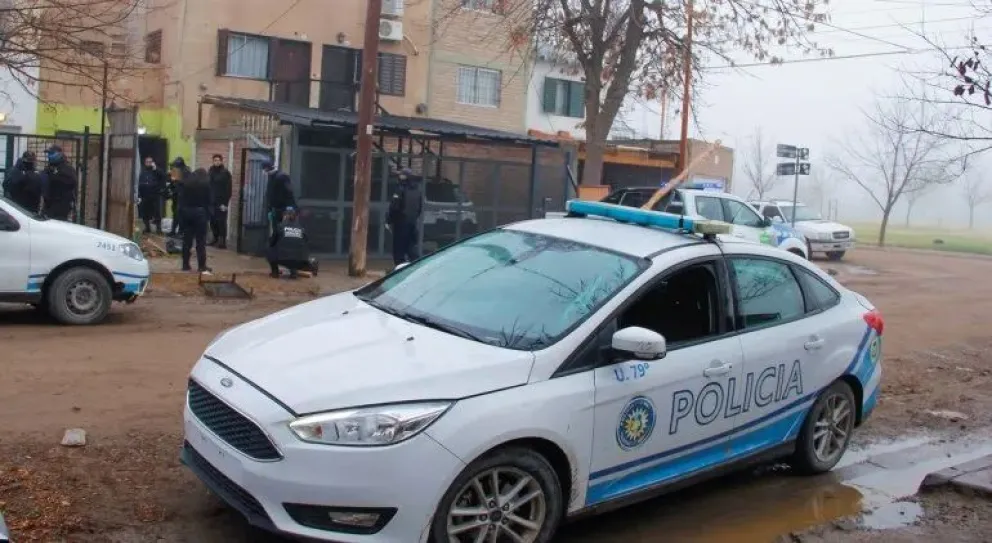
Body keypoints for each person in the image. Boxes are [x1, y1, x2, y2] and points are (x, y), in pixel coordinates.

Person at [177, 167, 213, 274]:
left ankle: (185, 265)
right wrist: (208, 215)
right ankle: (202, 266)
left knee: (187, 241)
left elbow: (181, 200)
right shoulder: (206, 185)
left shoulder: (186, 184)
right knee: (200, 241)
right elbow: (209, 201)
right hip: (200, 214)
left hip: (186, 213)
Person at [267, 207, 318, 279]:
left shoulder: (280, 226)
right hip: (300, 261)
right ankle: (296, 271)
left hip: (283, 259)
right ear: (296, 217)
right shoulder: (301, 228)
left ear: (284, 216)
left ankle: (275, 272)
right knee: (295, 252)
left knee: (269, 249)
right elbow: (307, 242)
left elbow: (272, 243)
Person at [387, 167, 423, 266]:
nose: (399, 176)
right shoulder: (417, 191)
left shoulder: (400, 189)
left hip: (401, 223)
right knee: (410, 248)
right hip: (412, 223)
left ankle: (399, 269)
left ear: (404, 177)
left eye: (401, 175)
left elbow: (394, 207)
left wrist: (389, 220)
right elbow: (420, 208)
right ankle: (417, 267)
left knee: (398, 249)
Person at [42, 145, 77, 221]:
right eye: (48, 154)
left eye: (51, 153)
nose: (49, 156)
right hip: (49, 204)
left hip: (61, 205)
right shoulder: (49, 168)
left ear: (59, 154)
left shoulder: (67, 168)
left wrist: (54, 177)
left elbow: (72, 182)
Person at [262, 160, 295, 238]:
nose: (263, 171)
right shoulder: (271, 177)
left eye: (263, 169)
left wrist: (289, 208)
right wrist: (270, 208)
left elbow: (289, 193)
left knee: (282, 230)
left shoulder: (282, 177)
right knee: (276, 229)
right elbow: (270, 194)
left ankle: (280, 247)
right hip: (274, 209)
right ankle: (276, 247)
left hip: (282, 209)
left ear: (267, 168)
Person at [208, 153, 233, 248]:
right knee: (212, 221)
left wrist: (225, 203)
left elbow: (228, 189)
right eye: (215, 160)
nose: (216, 162)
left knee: (221, 221)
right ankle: (215, 238)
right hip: (211, 201)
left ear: (221, 161)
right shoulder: (210, 171)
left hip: (221, 202)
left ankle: (222, 241)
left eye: (218, 160)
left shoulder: (225, 173)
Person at [137, 156, 166, 234]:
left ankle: (159, 229)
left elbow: (163, 176)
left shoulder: (156, 170)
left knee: (157, 213)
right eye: (147, 162)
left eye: (150, 162)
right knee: (145, 213)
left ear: (153, 162)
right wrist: (139, 195)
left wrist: (156, 169)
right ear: (145, 163)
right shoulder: (143, 172)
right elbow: (139, 184)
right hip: (145, 195)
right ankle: (147, 228)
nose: (149, 163)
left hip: (155, 195)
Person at [167, 157, 191, 236]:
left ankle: (181, 231)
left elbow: (187, 184)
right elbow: (172, 182)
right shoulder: (175, 170)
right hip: (176, 195)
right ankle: (173, 230)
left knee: (181, 214)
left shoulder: (186, 171)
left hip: (183, 196)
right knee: (175, 214)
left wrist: (177, 180)